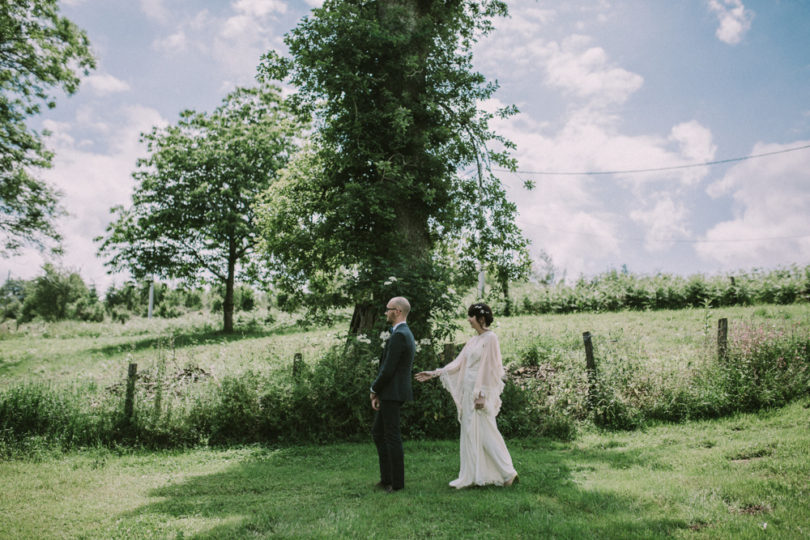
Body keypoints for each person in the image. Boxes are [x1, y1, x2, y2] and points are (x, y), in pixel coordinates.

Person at [416, 302, 518, 489]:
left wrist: (482, 394)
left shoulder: (490, 338)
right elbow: (458, 363)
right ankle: (474, 474)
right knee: (470, 432)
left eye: (471, 316)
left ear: (480, 318)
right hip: (468, 391)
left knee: (486, 432)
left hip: (479, 393)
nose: (468, 320)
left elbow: (490, 368)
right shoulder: (473, 340)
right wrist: (435, 373)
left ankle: (508, 473)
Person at [370, 296, 416, 493]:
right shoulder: (402, 333)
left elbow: (388, 370)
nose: (385, 312)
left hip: (392, 392)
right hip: (391, 392)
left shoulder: (400, 335)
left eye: (388, 309)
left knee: (391, 436)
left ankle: (396, 483)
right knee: (379, 433)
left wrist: (374, 389)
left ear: (397, 311)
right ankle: (386, 478)